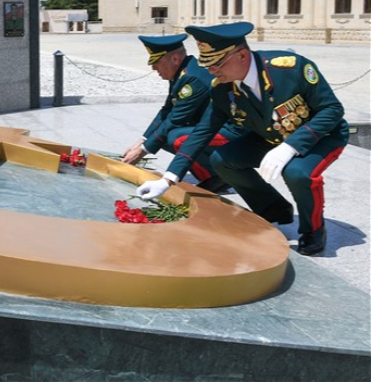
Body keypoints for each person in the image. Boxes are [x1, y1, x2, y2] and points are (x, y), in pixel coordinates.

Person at [136, 22, 349, 256]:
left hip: (320, 136)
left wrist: (290, 147)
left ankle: (314, 230)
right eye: (207, 64)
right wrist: (167, 179)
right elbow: (202, 133)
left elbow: (332, 110)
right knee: (222, 160)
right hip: (271, 136)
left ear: (242, 56)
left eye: (217, 64)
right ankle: (274, 209)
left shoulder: (291, 68)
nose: (211, 71)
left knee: (296, 172)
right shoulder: (223, 88)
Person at [121, 34, 241, 193]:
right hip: (210, 126)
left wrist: (141, 152)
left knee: (175, 138)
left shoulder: (192, 79)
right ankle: (213, 170)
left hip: (231, 131)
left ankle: (216, 177)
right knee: (160, 137)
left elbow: (175, 119)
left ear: (175, 59)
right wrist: (141, 142)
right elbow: (166, 110)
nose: (153, 68)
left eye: (157, 62)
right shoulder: (180, 73)